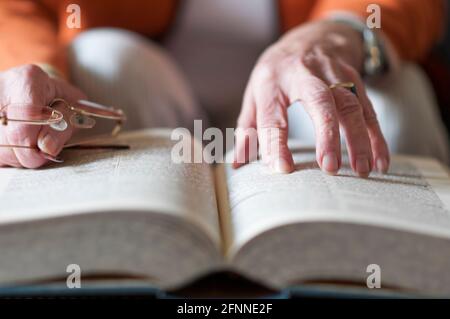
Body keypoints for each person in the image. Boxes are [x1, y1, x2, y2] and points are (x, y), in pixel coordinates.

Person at [0, 0, 447, 177]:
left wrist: (333, 32)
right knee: (103, 58)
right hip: (150, 104)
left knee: (395, 97)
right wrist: (34, 73)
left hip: (300, 107)